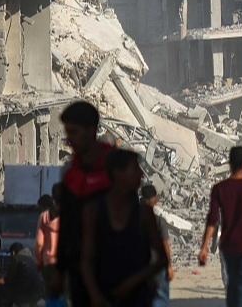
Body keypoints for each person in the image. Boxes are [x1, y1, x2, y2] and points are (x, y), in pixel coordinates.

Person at [81, 149, 165, 307]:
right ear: (117, 173)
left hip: (138, 298)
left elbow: (161, 259)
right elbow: (85, 259)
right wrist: (95, 295)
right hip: (104, 296)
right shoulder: (94, 212)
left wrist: (133, 282)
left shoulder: (144, 213)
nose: (141, 174)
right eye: (134, 168)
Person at [54, 101, 114, 306]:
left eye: (74, 132)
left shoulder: (116, 168)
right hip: (79, 265)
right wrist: (60, 270)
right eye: (67, 132)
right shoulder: (70, 172)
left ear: (91, 130)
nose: (69, 139)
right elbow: (67, 223)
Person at [199, 146, 242, 307]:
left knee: (231, 285)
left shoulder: (220, 188)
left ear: (229, 163)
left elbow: (212, 219)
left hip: (228, 245)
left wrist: (204, 247)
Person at [140, 185, 174, 307]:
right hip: (157, 265)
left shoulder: (132, 220)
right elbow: (165, 244)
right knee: (160, 298)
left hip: (139, 266)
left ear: (141, 200)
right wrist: (169, 266)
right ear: (155, 200)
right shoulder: (159, 221)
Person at [34, 189, 60, 292]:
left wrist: (38, 261)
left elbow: (39, 243)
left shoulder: (44, 219)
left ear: (44, 207)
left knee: (48, 291)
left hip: (48, 261)